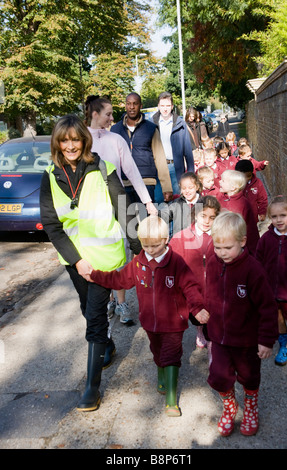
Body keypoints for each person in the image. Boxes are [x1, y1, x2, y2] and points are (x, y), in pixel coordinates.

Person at [39, 114, 142, 412]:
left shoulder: (103, 168)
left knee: (95, 317)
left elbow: (124, 210)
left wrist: (141, 250)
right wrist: (77, 261)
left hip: (105, 259)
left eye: (76, 139)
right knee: (88, 310)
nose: (70, 145)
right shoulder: (49, 175)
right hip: (74, 260)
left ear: (84, 140)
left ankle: (91, 389)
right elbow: (52, 225)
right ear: (57, 142)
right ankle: (107, 345)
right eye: (65, 140)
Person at [84, 215, 209, 417]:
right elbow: (119, 280)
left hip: (173, 322)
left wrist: (197, 308)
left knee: (171, 356)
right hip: (150, 322)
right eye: (146, 245)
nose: (150, 250)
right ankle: (161, 377)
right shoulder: (138, 263)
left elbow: (190, 287)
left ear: (165, 240)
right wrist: (96, 275)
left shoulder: (176, 262)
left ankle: (171, 400)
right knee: (157, 352)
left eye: (155, 245)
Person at [85, 95, 157, 325]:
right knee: (101, 253)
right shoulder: (81, 139)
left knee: (128, 247)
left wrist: (147, 202)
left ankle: (121, 300)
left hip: (118, 199)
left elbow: (133, 172)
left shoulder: (116, 139)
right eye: (107, 113)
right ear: (95, 114)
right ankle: (107, 299)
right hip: (93, 205)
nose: (112, 118)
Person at [206, 211, 278, 436]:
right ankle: (230, 407)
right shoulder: (213, 263)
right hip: (219, 337)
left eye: (228, 248)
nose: (222, 253)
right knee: (218, 375)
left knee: (249, 376)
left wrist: (266, 341)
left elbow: (267, 307)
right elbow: (209, 294)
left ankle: (250, 407)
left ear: (243, 242)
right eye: (218, 247)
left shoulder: (253, 270)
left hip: (247, 340)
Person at [170, 196, 221, 349]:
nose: (207, 221)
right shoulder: (180, 238)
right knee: (197, 319)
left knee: (214, 330)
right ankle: (199, 330)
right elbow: (172, 265)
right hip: (193, 291)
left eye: (212, 217)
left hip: (215, 290)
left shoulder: (221, 237)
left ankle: (215, 360)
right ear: (195, 214)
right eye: (203, 216)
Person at [256, 195, 287, 365]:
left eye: (283, 215)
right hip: (271, 291)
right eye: (274, 217)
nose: (278, 220)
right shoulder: (266, 238)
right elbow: (257, 262)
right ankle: (284, 345)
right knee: (278, 319)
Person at [110, 92, 173, 204]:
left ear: (141, 106)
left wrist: (167, 187)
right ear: (125, 106)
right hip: (123, 183)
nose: (132, 107)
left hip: (146, 183)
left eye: (135, 103)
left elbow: (160, 159)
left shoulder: (151, 128)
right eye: (129, 104)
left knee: (146, 221)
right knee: (127, 221)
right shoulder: (115, 130)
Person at [152, 92, 194, 201]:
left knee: (177, 201)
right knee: (159, 201)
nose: (165, 109)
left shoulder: (180, 124)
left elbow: (188, 151)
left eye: (167, 106)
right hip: (158, 169)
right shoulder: (151, 124)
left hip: (176, 168)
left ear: (172, 106)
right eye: (162, 105)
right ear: (158, 106)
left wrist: (190, 173)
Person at [218, 169, 260, 255]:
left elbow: (251, 229)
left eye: (223, 181)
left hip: (237, 245)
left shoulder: (243, 203)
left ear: (233, 187)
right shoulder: (219, 199)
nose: (219, 182)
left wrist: (253, 250)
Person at [159, 172, 202, 237]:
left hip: (198, 242)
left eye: (190, 188)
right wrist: (156, 213)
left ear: (197, 187)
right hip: (179, 241)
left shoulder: (204, 203)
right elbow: (164, 215)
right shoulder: (177, 203)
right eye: (184, 188)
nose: (187, 191)